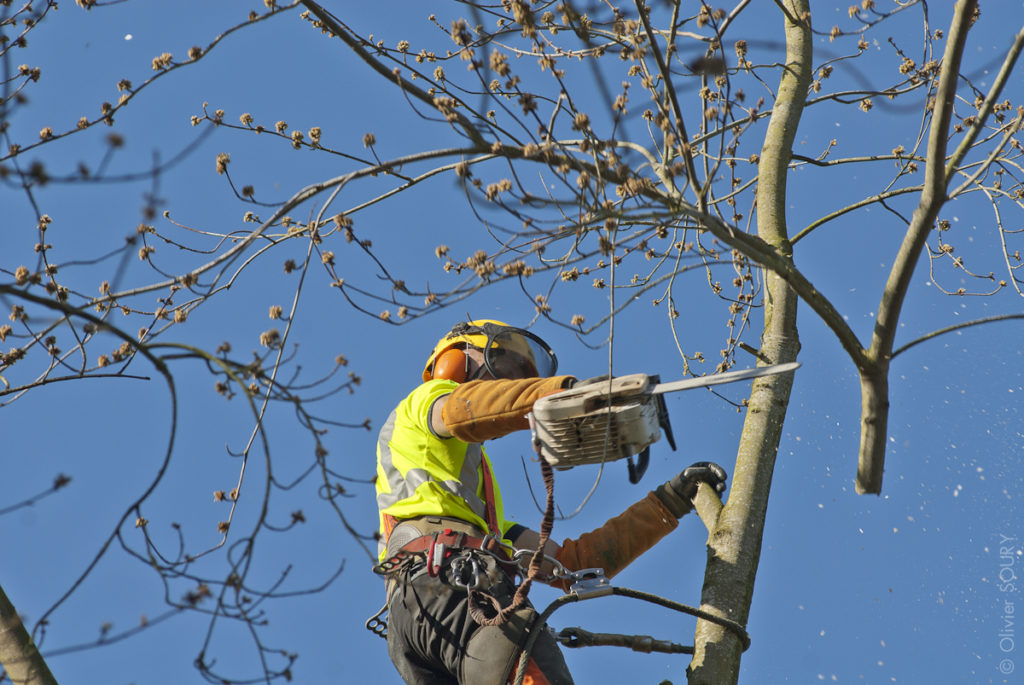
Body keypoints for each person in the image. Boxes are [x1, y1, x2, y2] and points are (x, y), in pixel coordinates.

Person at [374, 320, 728, 685]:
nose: (507, 385)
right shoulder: (427, 401)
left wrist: (668, 503)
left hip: (418, 617)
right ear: (455, 361)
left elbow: (576, 563)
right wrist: (563, 395)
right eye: (501, 369)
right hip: (451, 583)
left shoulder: (476, 517)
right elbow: (467, 409)